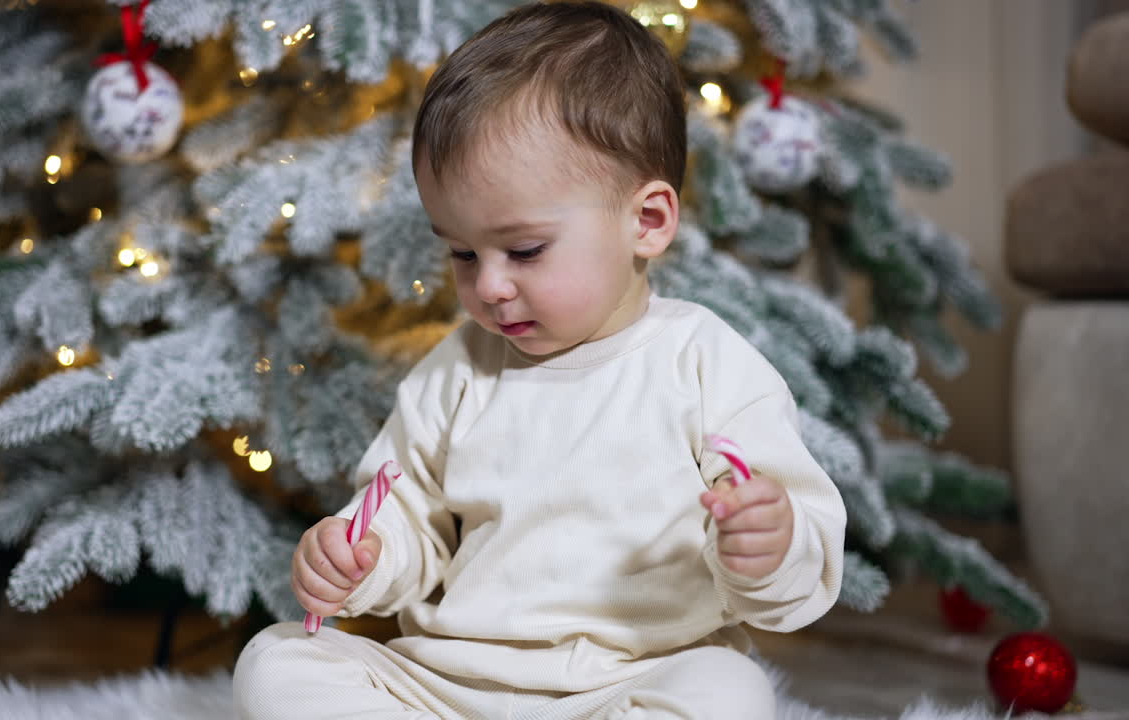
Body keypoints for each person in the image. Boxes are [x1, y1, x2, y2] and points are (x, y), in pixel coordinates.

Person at [233, 2, 846, 718]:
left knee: (730, 691)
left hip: (631, 680)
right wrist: (361, 558)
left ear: (646, 222)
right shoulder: (457, 371)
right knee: (276, 661)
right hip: (446, 687)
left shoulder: (705, 366)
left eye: (524, 250)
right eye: (462, 252)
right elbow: (405, 517)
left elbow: (793, 585)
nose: (488, 285)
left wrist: (768, 547)